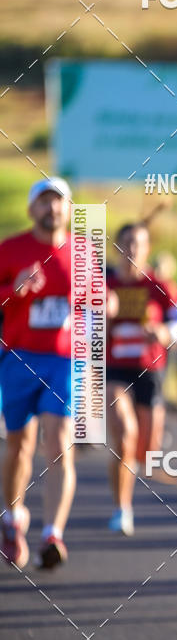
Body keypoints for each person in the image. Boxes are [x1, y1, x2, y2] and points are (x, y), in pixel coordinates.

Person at [0, 178, 75, 569]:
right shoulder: (11, 249)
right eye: (44, 202)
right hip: (18, 357)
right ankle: (13, 517)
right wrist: (14, 289)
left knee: (60, 443)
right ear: (32, 209)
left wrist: (107, 304)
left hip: (64, 361)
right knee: (20, 445)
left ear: (68, 209)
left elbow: (96, 305)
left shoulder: (83, 253)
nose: (52, 208)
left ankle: (52, 534)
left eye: (58, 202)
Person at [106, 221, 177, 535]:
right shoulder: (105, 286)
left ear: (147, 249)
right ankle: (122, 508)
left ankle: (133, 473)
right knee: (124, 436)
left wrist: (165, 332)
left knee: (145, 450)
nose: (132, 249)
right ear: (117, 248)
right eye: (127, 242)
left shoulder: (160, 285)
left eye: (139, 243)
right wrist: (102, 318)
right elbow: (81, 327)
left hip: (151, 371)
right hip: (115, 370)